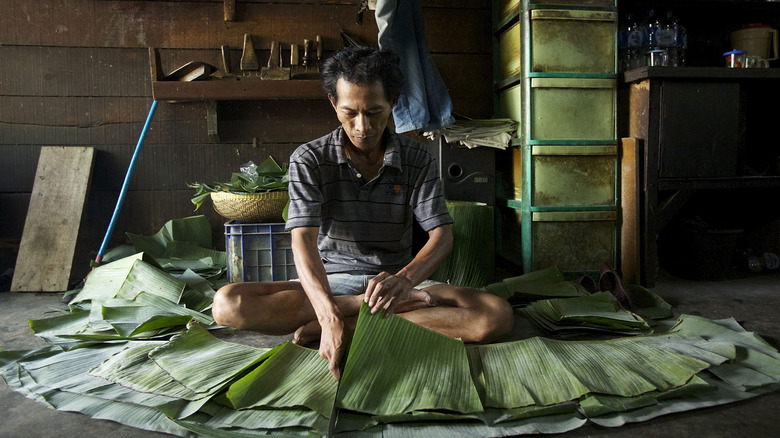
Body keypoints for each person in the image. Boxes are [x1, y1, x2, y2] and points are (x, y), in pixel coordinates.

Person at [212, 46, 514, 380]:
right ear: (332, 103)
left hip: (397, 284)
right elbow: (303, 241)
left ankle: (352, 326)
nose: (362, 126)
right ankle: (351, 314)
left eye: (374, 112)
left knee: (494, 315)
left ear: (393, 104)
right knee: (227, 304)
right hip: (331, 285)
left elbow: (441, 236)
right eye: (349, 112)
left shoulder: (418, 159)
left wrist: (403, 281)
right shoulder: (310, 159)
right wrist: (328, 312)